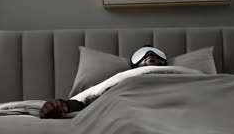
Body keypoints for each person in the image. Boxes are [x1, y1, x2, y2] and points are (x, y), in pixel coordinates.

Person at [39, 45, 167, 119]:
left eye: (155, 53)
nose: (150, 53)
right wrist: (65, 106)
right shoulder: (122, 79)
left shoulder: (181, 74)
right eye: (143, 54)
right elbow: (95, 99)